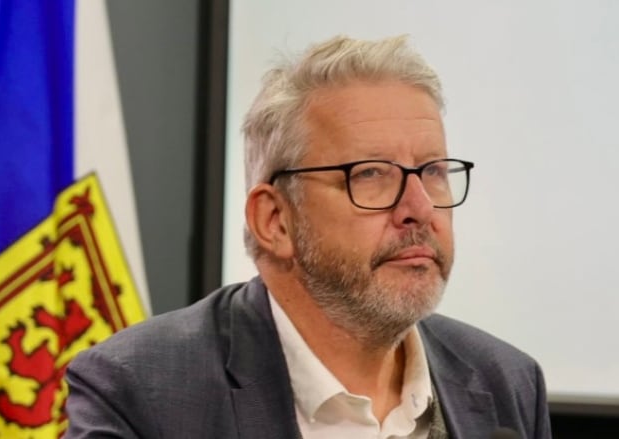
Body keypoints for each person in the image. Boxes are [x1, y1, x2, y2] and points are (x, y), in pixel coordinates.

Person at [64, 35, 551, 439]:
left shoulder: (507, 383)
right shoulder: (140, 391)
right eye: (371, 174)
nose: (420, 209)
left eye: (435, 171)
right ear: (274, 220)